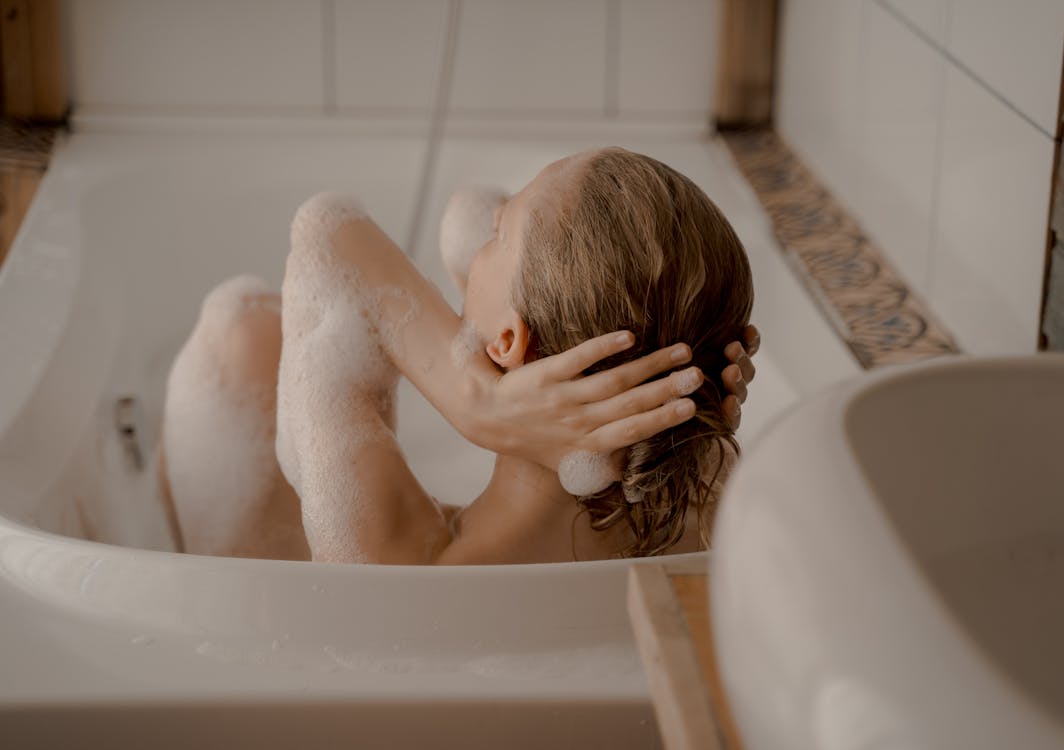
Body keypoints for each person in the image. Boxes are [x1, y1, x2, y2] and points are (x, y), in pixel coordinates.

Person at [160, 147, 758, 564]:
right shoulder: (704, 501)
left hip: (271, 613)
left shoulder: (400, 557)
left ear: (506, 343)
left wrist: (475, 401)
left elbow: (325, 233)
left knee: (242, 336)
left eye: (496, 235)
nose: (483, 231)